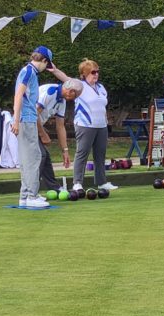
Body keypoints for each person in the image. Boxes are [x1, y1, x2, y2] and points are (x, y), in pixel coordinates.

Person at [11, 46, 71, 207]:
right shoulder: (29, 72)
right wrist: (16, 120)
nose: (47, 68)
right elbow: (18, 95)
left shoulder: (29, 71)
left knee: (28, 158)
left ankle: (24, 197)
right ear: (44, 60)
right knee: (34, 158)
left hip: (25, 119)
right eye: (47, 64)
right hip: (27, 119)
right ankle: (32, 196)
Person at [72, 59, 117, 192]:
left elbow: (102, 106)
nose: (96, 74)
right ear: (84, 74)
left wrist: (106, 122)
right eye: (93, 72)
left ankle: (101, 182)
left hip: (101, 125)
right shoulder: (80, 86)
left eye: (97, 72)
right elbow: (66, 79)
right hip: (85, 125)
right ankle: (77, 182)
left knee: (100, 154)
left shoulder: (101, 88)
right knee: (82, 153)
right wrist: (55, 70)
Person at [38, 78, 84, 193]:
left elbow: (60, 126)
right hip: (24, 124)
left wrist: (65, 150)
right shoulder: (50, 92)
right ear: (71, 91)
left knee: (45, 157)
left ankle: (55, 188)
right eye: (76, 95)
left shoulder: (61, 100)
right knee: (40, 155)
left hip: (33, 125)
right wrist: (43, 134)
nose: (74, 98)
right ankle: (31, 191)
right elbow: (33, 115)